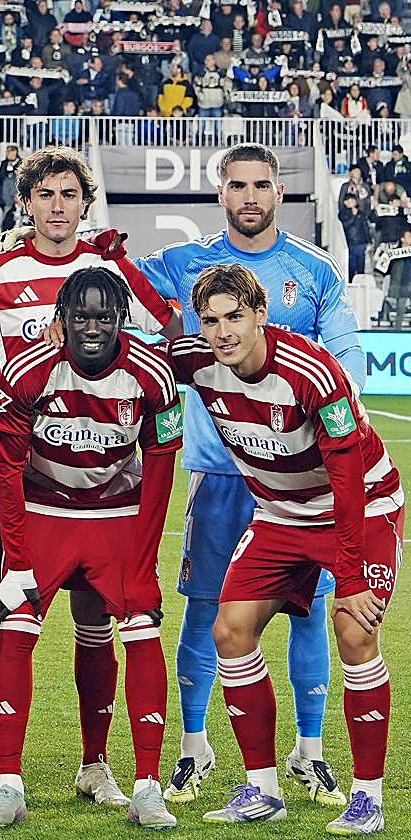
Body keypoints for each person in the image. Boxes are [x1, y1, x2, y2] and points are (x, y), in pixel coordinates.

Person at [0, 145, 179, 807]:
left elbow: (168, 326)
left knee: (97, 622)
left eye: (68, 194)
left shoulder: (108, 267)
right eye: (44, 194)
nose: (56, 206)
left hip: (105, 478)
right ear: (27, 203)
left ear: (84, 202)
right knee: (4, 614)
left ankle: (96, 763)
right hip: (22, 471)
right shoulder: (2, 268)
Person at [135, 143, 366, 806]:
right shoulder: (182, 264)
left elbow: (345, 353)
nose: (249, 196)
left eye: (260, 184)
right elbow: (116, 286)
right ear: (221, 193)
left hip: (300, 478)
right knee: (207, 607)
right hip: (220, 473)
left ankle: (310, 752)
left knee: (309, 610)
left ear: (278, 192)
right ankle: (193, 746)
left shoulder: (314, 270)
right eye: (237, 185)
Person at [163, 265, 402, 834]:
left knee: (354, 629)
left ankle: (368, 797)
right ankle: (262, 788)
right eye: (211, 320)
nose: (223, 332)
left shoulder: (313, 374)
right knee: (230, 630)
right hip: (279, 516)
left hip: (359, 508)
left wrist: (350, 578)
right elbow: (138, 354)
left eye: (235, 317)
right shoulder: (198, 363)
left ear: (261, 315)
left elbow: (347, 479)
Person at [0, 266, 182, 829]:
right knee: (17, 626)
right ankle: (8, 781)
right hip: (43, 512)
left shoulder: (152, 377)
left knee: (141, 627)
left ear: (122, 319)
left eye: (105, 316)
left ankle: (143, 783)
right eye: (80, 316)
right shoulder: (29, 371)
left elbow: (160, 476)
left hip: (116, 516)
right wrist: (16, 558)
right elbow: (8, 469)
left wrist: (142, 567)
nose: (92, 327)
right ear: (59, 320)